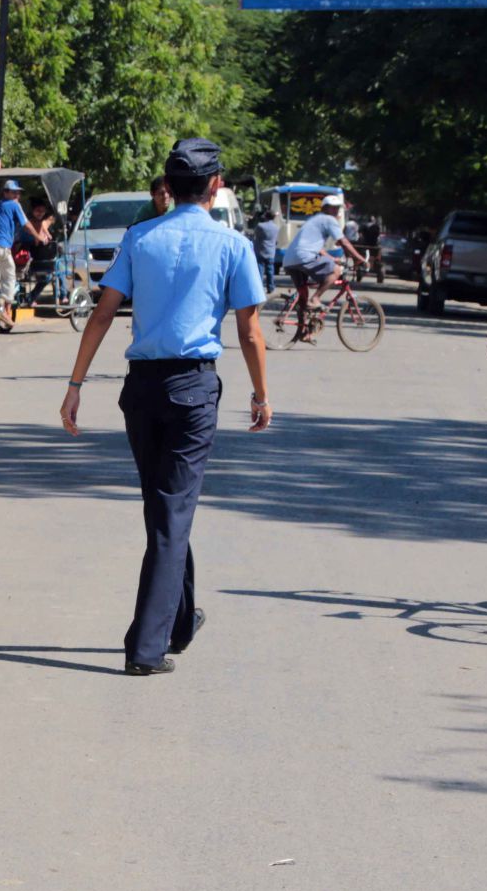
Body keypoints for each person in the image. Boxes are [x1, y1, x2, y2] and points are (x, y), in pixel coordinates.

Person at [59, 137, 270, 677]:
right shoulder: (231, 245)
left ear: (169, 187)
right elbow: (249, 330)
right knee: (171, 514)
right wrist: (261, 394)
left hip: (142, 391)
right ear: (216, 185)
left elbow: (103, 314)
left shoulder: (139, 237)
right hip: (193, 389)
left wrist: (76, 382)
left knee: (165, 512)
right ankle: (147, 648)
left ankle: (178, 621)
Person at [283, 194, 365, 336]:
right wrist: (360, 259)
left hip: (290, 260)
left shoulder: (313, 220)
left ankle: (303, 331)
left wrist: (332, 258)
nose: (335, 211)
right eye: (332, 208)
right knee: (336, 270)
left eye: (337, 208)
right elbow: (343, 242)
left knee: (303, 295)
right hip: (305, 257)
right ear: (325, 209)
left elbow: (319, 249)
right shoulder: (329, 220)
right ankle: (316, 299)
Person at [0, 179, 30, 310]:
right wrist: (38, 236)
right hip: (2, 246)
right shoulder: (14, 205)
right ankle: (6, 309)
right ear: (5, 193)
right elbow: (26, 224)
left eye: (18, 193)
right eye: (14, 193)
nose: (17, 196)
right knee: (9, 275)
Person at [251, 206, 281, 293]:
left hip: (260, 251)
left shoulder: (260, 226)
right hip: (271, 252)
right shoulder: (276, 227)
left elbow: (255, 236)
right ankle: (270, 287)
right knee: (270, 271)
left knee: (260, 270)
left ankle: (259, 288)